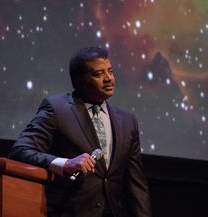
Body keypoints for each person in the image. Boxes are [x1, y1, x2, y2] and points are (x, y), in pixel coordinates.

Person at [8, 46, 152, 217]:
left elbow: (136, 185)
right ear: (79, 81)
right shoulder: (57, 109)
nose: (109, 78)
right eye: (98, 74)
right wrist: (65, 164)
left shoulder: (128, 121)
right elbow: (20, 151)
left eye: (110, 71)